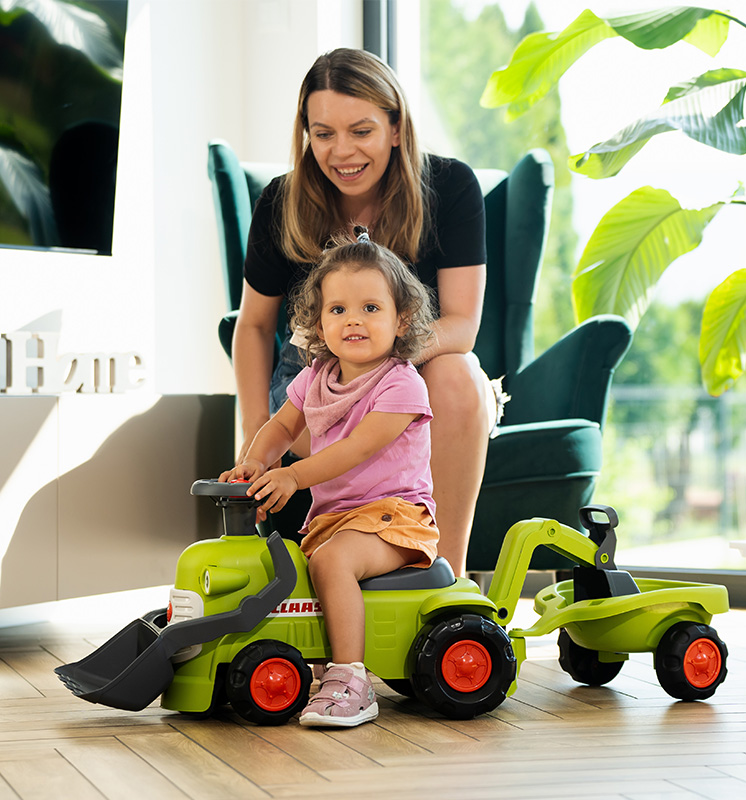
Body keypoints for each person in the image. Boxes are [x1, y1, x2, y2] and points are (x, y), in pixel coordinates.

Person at [234, 47, 497, 578]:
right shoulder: (280, 202)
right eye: (323, 133)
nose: (341, 152)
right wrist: (256, 431)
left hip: (415, 365)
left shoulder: (450, 187)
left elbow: (462, 325)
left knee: (459, 374)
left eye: (361, 131)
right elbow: (255, 326)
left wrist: (383, 364)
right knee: (340, 428)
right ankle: (349, 570)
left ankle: (447, 579)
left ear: (396, 128)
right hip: (317, 378)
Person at [221, 230, 439, 727]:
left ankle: (351, 680)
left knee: (333, 562)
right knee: (287, 566)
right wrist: (258, 461)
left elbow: (356, 448)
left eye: (370, 308)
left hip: (396, 519)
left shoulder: (402, 382)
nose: (353, 320)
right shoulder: (315, 376)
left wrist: (293, 476)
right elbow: (280, 426)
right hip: (337, 518)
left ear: (401, 319)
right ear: (318, 322)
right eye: (337, 310)